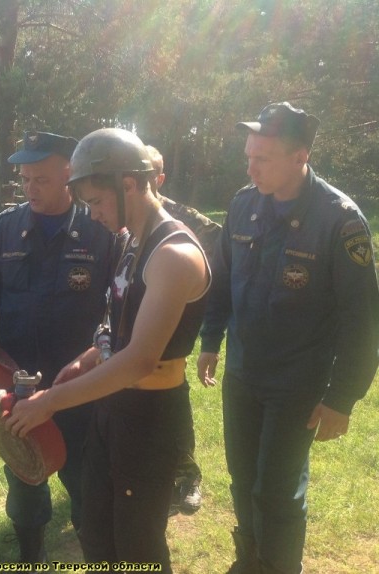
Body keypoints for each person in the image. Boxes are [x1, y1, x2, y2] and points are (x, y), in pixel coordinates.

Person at [5, 128, 211, 572]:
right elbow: (118, 322)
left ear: (130, 185)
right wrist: (91, 353)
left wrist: (50, 403)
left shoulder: (173, 253)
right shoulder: (130, 239)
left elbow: (139, 360)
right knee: (97, 532)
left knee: (138, 546)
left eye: (97, 202)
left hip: (149, 416)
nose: (93, 215)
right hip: (113, 407)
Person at [196, 102, 379, 574]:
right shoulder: (242, 204)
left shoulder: (340, 220)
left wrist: (342, 398)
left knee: (276, 488)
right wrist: (212, 339)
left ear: (300, 156)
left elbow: (363, 320)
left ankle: (279, 567)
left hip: (298, 381)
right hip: (244, 372)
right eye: (248, 156)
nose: (251, 167)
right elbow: (223, 277)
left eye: (264, 158)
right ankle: (250, 559)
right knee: (242, 479)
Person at [0, 131, 114, 562]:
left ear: (69, 173)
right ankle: (31, 558)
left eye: (41, 179)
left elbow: (116, 304)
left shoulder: (98, 229)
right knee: (25, 474)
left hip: (78, 382)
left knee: (84, 477)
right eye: (24, 179)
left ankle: (96, 553)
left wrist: (99, 350)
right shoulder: (7, 228)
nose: (30, 189)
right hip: (20, 381)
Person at [146, 144, 222, 517]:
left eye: (150, 174)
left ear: (159, 178)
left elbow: (219, 249)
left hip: (172, 321)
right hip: (129, 314)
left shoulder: (181, 218)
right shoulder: (121, 211)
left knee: (173, 400)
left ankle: (187, 475)